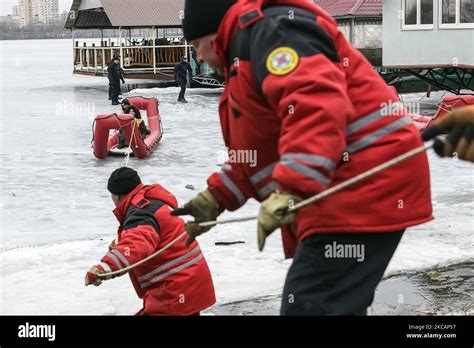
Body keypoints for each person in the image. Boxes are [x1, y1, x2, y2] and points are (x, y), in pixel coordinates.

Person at [172, 0, 433, 315]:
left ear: (214, 35)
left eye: (198, 46)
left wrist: (294, 187)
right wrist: (216, 197)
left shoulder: (273, 30)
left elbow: (315, 104)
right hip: (347, 187)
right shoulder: (247, 53)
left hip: (364, 185)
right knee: (327, 303)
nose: (198, 57)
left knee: (313, 305)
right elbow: (262, 152)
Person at [85, 167, 216, 316]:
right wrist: (121, 241)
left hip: (175, 289)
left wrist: (105, 268)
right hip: (189, 282)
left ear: (117, 196)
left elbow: (137, 245)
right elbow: (148, 235)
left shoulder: (140, 212)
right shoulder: (151, 202)